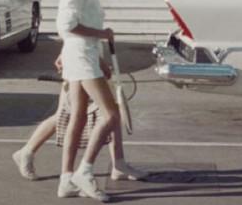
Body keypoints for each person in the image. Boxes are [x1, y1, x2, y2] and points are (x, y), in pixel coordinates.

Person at [54, 0, 123, 202]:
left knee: (79, 117)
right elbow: (68, 25)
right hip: (80, 55)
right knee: (111, 115)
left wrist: (100, 56)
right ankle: (85, 170)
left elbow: (73, 27)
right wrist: (103, 34)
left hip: (82, 53)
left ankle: (65, 180)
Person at [11, 53, 144, 183]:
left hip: (87, 63)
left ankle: (118, 164)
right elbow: (76, 35)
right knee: (70, 115)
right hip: (81, 64)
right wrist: (98, 59)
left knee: (109, 113)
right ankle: (30, 154)